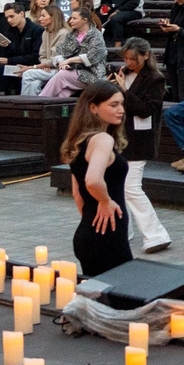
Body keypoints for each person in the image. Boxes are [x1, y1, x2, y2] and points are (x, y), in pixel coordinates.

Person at [62, 80, 133, 278]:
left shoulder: (77, 142)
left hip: (89, 232)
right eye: (113, 105)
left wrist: (91, 214)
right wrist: (105, 201)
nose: (121, 110)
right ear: (93, 108)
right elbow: (92, 180)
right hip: (108, 236)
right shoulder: (102, 139)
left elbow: (78, 194)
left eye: (121, 104)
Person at [114, 38, 174, 254]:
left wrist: (123, 91)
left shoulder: (156, 79)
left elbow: (145, 109)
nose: (129, 62)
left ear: (146, 55)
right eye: (126, 58)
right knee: (118, 187)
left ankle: (156, 234)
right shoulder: (122, 73)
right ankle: (121, 232)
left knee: (131, 187)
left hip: (140, 139)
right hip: (119, 137)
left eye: (133, 58)